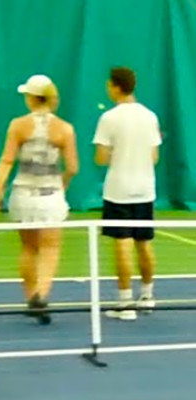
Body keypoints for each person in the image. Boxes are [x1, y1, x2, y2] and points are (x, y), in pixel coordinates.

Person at [0, 74, 79, 325]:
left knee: (29, 247)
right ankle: (41, 294)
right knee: (50, 247)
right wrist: (62, 185)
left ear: (31, 98)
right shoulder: (65, 128)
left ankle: (31, 296)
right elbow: (72, 167)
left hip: (23, 194)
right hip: (51, 194)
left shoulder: (18, 125)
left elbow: (6, 160)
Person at [92, 66, 161, 321]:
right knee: (144, 243)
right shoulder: (150, 116)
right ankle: (147, 296)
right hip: (145, 189)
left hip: (118, 190)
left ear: (116, 86)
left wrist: (110, 151)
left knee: (122, 244)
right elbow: (154, 156)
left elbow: (100, 158)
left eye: (109, 84)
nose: (107, 88)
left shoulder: (109, 118)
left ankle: (125, 303)